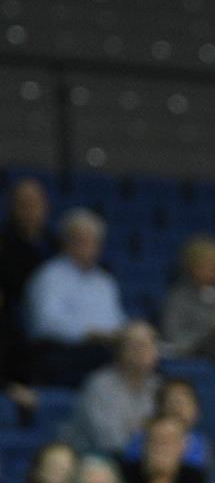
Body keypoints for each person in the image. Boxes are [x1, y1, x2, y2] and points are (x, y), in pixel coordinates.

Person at [22, 207, 125, 386]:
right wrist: (87, 334)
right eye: (81, 240)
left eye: (94, 241)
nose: (89, 247)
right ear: (66, 242)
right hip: (61, 352)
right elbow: (44, 323)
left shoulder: (105, 282)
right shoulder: (49, 276)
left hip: (103, 350)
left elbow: (117, 320)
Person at [64, 320, 162, 455]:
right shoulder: (99, 385)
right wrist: (145, 433)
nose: (145, 351)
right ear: (120, 351)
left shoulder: (158, 385)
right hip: (92, 457)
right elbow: (110, 442)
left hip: (141, 458)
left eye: (151, 343)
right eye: (137, 345)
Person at [0, 177, 51, 406]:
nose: (30, 209)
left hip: (46, 320)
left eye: (35, 203)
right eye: (23, 203)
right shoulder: (4, 242)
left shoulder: (54, 243)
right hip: (13, 315)